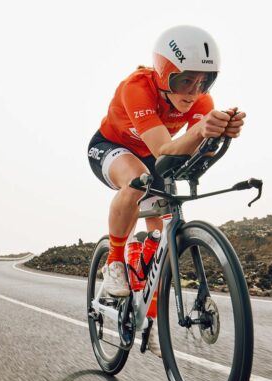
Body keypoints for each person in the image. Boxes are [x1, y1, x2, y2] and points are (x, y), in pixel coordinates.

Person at [87, 25, 246, 356]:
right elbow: (164, 150)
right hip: (112, 147)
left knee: (161, 241)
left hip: (154, 155)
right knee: (137, 180)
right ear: (163, 73)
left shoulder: (203, 100)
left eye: (204, 81)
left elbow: (194, 156)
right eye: (185, 79)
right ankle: (115, 262)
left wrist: (218, 137)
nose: (193, 91)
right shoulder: (137, 88)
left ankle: (150, 317)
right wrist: (201, 130)